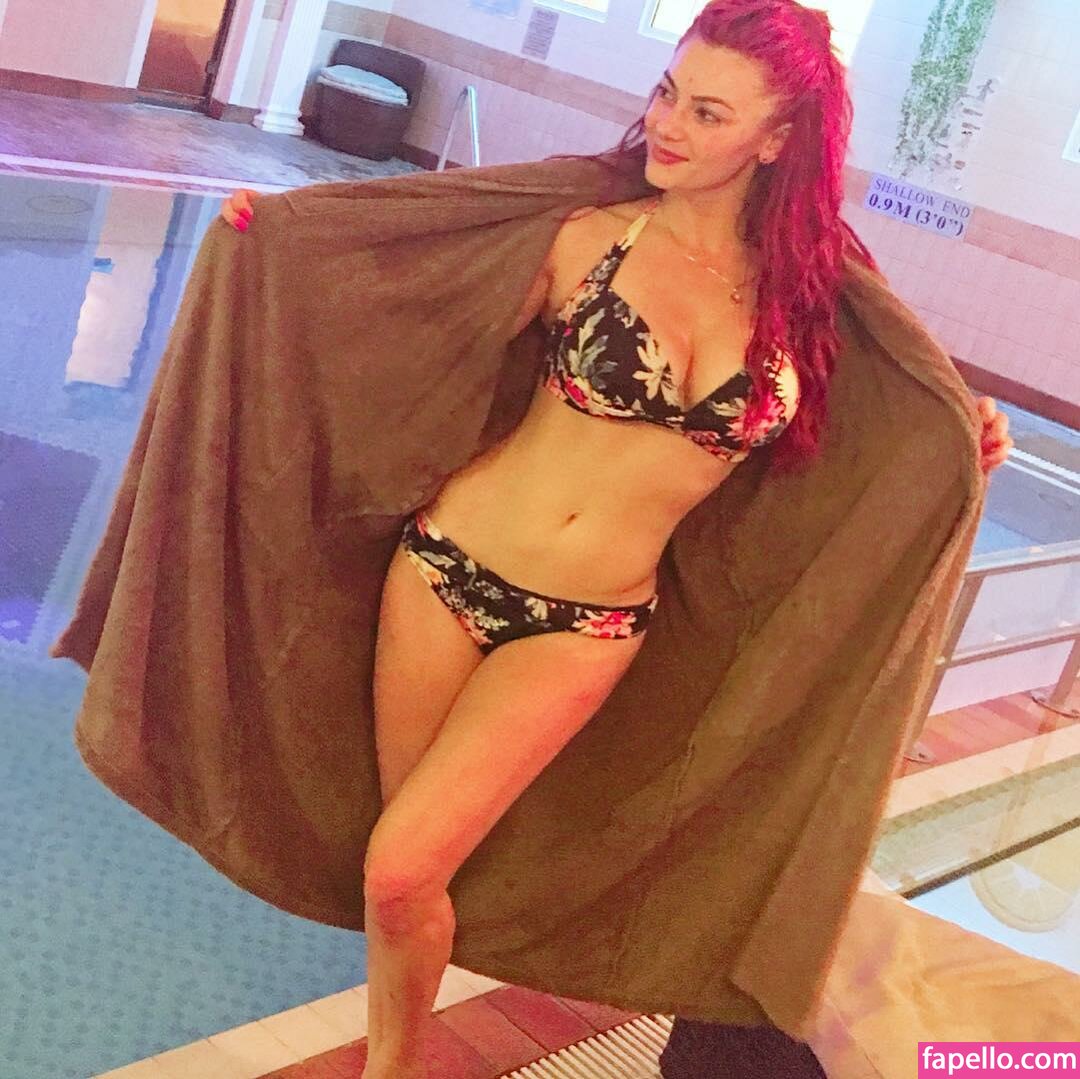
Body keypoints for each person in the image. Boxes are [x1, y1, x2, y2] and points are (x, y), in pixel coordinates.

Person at [217, 2, 1011, 1076]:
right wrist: (285, 238)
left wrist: (967, 439)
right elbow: (410, 298)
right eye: (668, 93)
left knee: (405, 867)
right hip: (446, 571)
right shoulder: (589, 234)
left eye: (710, 112)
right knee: (405, 872)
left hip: (588, 623)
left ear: (777, 138)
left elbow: (887, 427)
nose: (670, 125)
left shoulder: (811, 304)